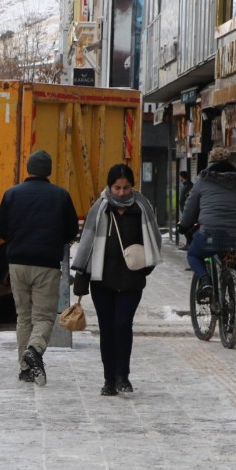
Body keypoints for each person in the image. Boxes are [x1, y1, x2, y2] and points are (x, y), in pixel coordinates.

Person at [71, 164, 162, 396]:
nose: (122, 192)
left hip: (131, 280)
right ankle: (109, 379)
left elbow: (154, 239)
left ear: (133, 186)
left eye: (126, 187)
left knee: (123, 325)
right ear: (109, 187)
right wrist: (82, 274)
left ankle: (123, 376)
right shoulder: (100, 209)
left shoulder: (142, 207)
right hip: (102, 280)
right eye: (117, 188)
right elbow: (87, 243)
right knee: (107, 329)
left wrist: (146, 268)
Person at [0, 149, 78, 386]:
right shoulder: (61, 196)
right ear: (48, 171)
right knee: (43, 316)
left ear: (28, 169)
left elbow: (0, 227)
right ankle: (35, 349)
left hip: (17, 263)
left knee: (23, 317)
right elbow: (71, 230)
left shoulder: (12, 194)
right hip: (46, 265)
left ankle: (24, 368)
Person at [178, 146, 236, 301]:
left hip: (210, 232)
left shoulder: (203, 179)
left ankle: (205, 281)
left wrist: (184, 225)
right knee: (233, 262)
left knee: (194, 254)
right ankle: (235, 303)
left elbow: (190, 205)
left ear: (210, 161)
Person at [177, 170, 194, 248]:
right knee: (185, 228)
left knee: (186, 228)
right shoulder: (186, 185)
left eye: (180, 176)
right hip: (185, 211)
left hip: (188, 211)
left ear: (182, 177)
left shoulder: (189, 186)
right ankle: (188, 244)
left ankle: (189, 244)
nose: (179, 179)